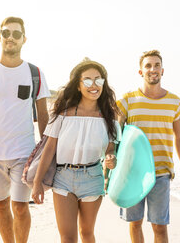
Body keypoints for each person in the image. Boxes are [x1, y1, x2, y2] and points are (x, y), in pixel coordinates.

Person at [0, 17, 50, 243]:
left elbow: (44, 116)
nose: (10, 38)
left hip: (24, 153)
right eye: (6, 33)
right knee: (0, 206)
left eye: (16, 34)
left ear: (23, 39)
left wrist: (45, 153)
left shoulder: (34, 72)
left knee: (19, 206)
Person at [31, 57, 121, 243]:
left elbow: (110, 147)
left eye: (98, 79)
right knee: (68, 238)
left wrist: (111, 157)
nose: (94, 85)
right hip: (63, 177)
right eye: (87, 80)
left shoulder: (109, 117)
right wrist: (37, 182)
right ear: (78, 86)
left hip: (93, 177)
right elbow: (49, 149)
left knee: (87, 234)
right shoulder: (62, 114)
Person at [117, 50, 180, 243]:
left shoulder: (174, 102)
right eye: (148, 66)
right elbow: (115, 135)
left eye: (156, 65)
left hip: (161, 172)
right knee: (135, 223)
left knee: (159, 226)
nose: (153, 69)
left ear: (163, 70)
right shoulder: (127, 100)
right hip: (132, 172)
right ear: (140, 72)